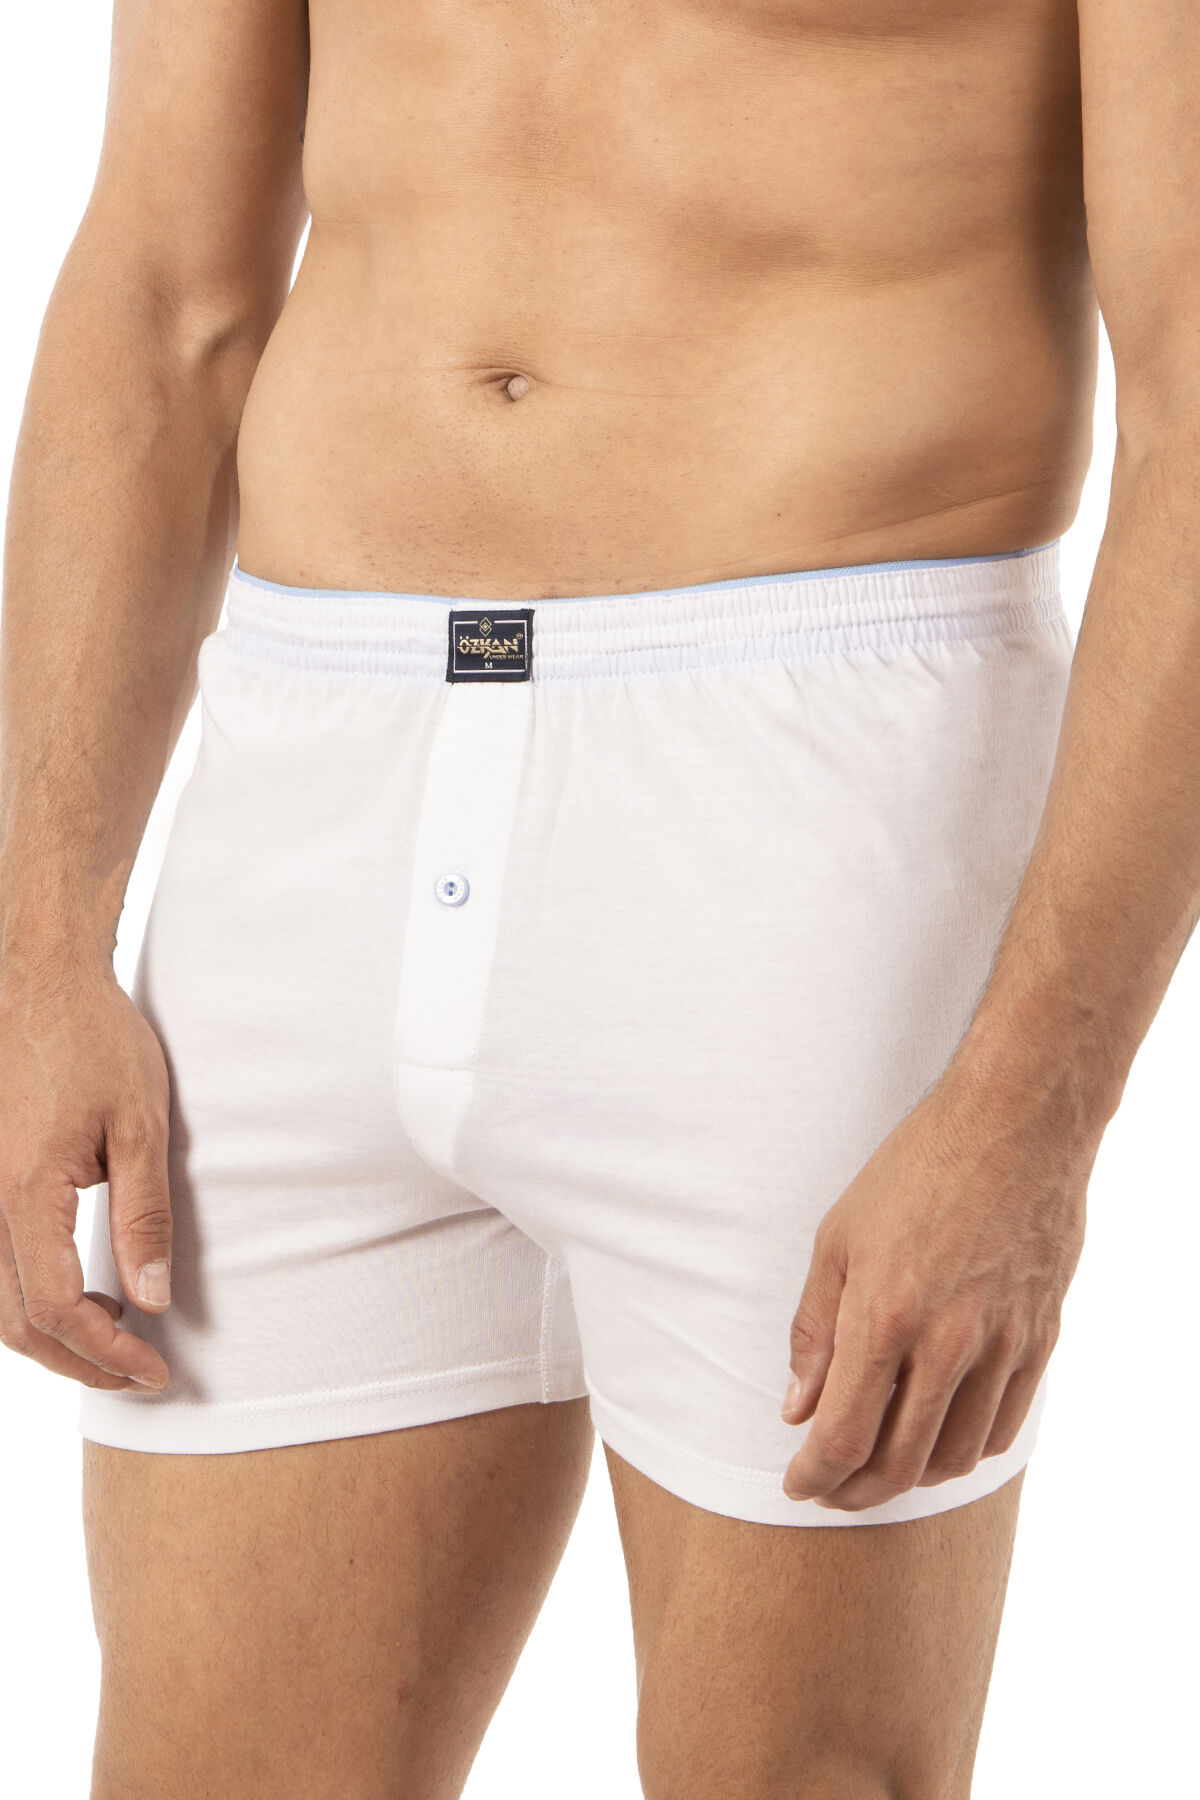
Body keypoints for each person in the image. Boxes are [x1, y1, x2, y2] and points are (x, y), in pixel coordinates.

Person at [0, 0, 1197, 1794]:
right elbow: (164, 291)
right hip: (305, 785)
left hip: (811, 806)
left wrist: (1037, 1112)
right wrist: (38, 949)